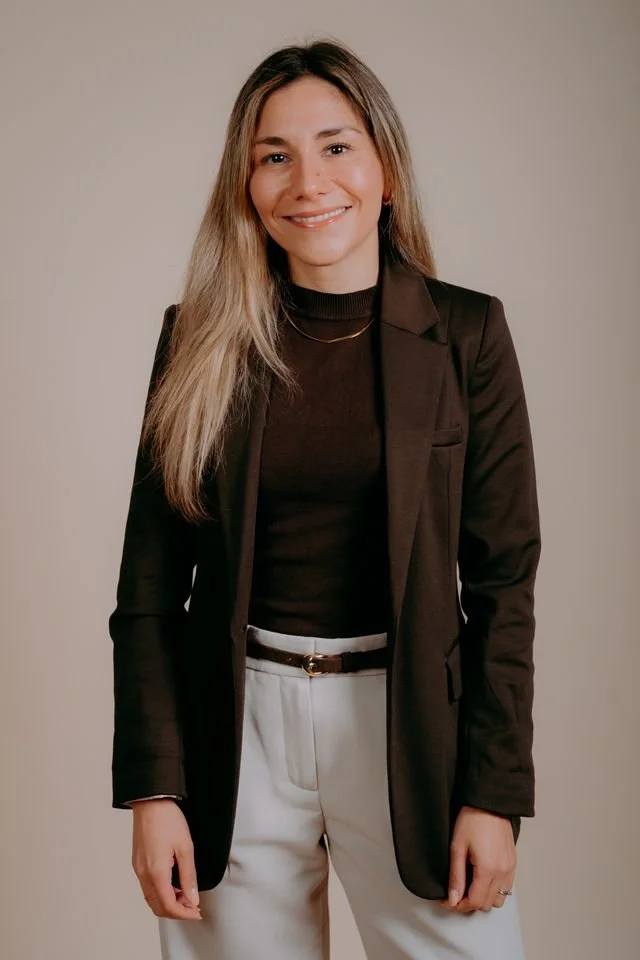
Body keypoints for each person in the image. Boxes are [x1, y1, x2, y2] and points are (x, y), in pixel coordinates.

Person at [108, 37, 541, 960]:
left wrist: (495, 791)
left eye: (337, 146)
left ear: (385, 169)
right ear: (248, 186)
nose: (309, 180)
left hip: (410, 720)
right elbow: (148, 590)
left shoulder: (467, 334)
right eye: (275, 156)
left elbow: (505, 583)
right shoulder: (198, 342)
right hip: (238, 729)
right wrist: (154, 790)